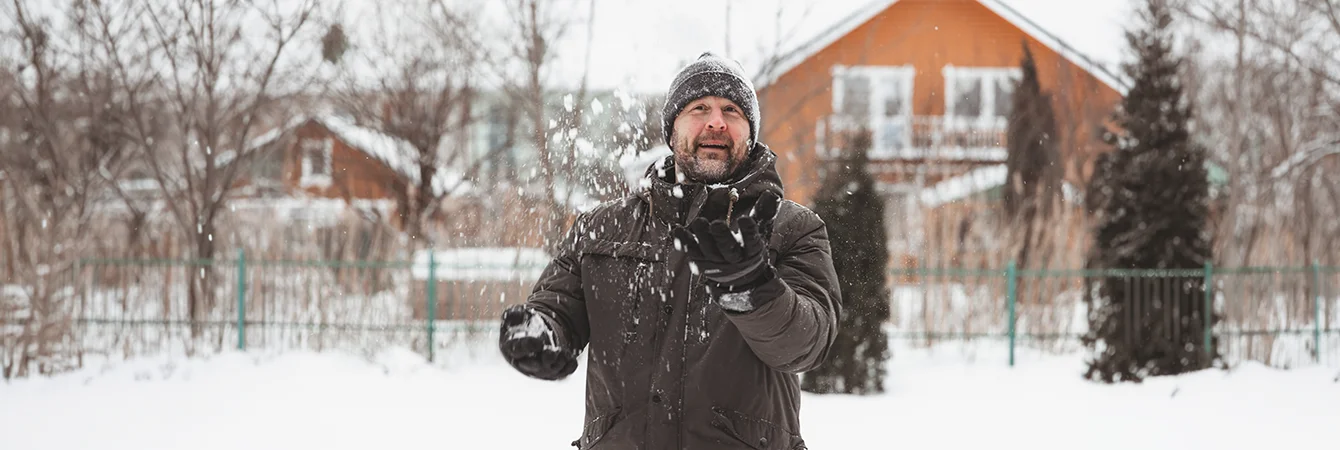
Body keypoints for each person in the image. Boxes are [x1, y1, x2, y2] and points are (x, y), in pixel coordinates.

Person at [498, 51, 841, 450]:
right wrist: (542, 335)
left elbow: (807, 345)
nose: (716, 121)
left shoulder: (792, 229)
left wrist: (754, 290)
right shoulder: (601, 227)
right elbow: (558, 311)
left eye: (732, 110)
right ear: (672, 128)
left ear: (750, 132)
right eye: (699, 108)